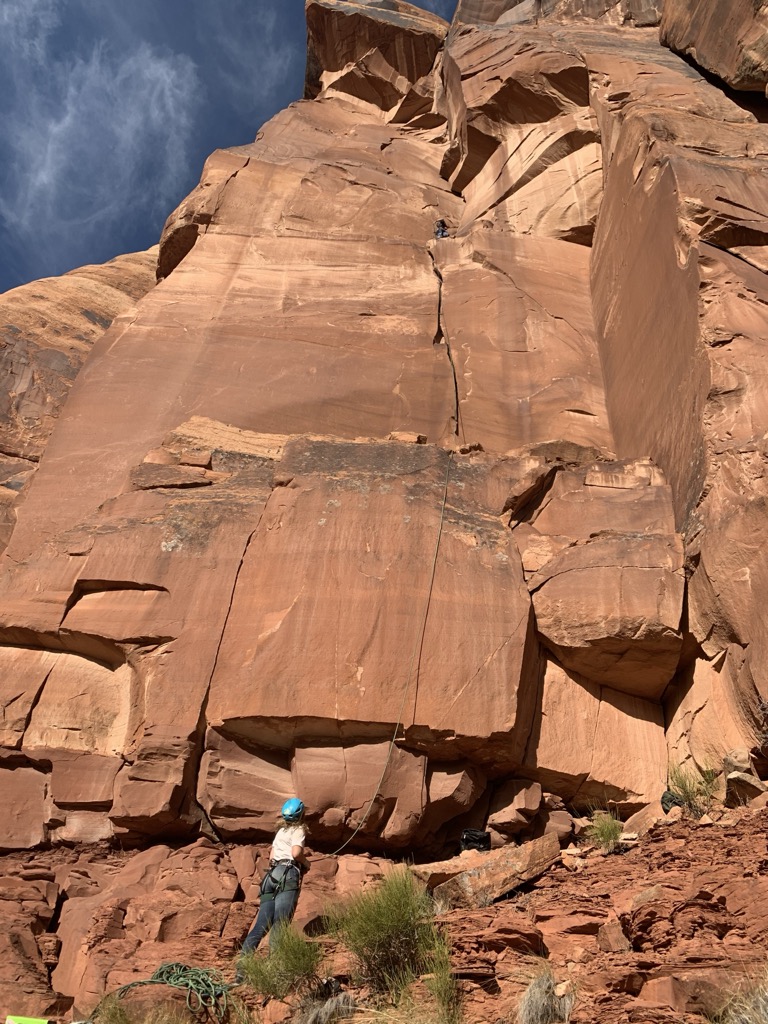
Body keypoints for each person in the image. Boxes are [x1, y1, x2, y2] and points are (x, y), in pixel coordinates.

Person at [240, 798, 310, 955]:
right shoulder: (298, 829)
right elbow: (296, 853)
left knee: (261, 926)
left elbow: (272, 857)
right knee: (280, 923)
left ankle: (241, 972)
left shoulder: (280, 832)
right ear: (301, 814)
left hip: (271, 877)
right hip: (287, 874)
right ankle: (275, 971)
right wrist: (306, 863)